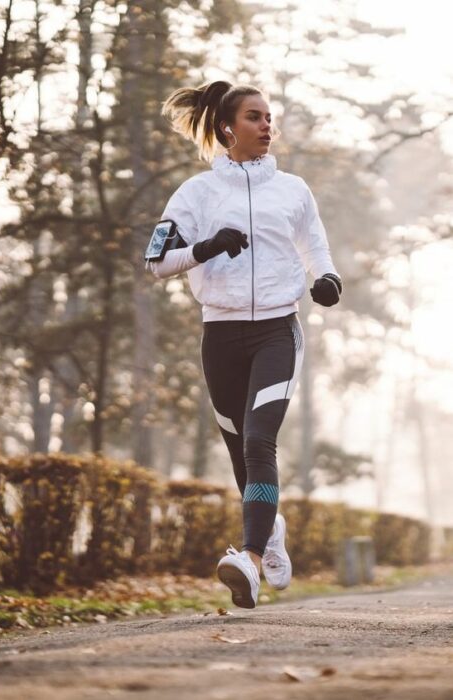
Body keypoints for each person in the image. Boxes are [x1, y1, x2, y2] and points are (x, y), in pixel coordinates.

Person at [146, 80, 342, 609]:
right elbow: (155, 263)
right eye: (255, 117)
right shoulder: (195, 194)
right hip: (221, 335)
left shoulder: (294, 190)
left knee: (259, 441)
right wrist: (206, 248)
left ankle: (250, 560)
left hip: (278, 330)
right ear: (228, 128)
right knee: (239, 454)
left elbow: (317, 250)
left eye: (269, 117)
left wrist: (327, 280)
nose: (266, 125)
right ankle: (271, 528)